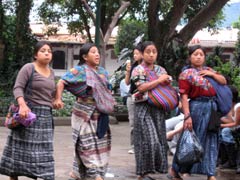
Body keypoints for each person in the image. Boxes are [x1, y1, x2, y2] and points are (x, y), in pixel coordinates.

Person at [53, 43, 112, 180]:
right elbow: (61, 82)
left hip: (100, 113)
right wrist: (58, 98)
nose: (97, 54)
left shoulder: (103, 72)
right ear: (85, 57)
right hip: (83, 112)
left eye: (98, 52)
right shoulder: (78, 71)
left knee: (99, 145)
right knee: (85, 144)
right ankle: (95, 175)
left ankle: (77, 172)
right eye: (93, 52)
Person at [168, 45, 227, 180]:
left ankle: (210, 173)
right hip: (196, 107)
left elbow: (223, 82)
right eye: (195, 54)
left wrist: (212, 74)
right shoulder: (186, 74)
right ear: (190, 57)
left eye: (201, 54)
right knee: (190, 140)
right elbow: (184, 96)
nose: (199, 57)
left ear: (204, 57)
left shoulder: (209, 70)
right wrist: (187, 115)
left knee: (212, 140)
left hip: (212, 108)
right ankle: (175, 169)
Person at [0, 41, 56, 180]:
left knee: (41, 154)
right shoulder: (29, 68)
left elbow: (50, 94)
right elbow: (18, 87)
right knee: (19, 151)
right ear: (35, 55)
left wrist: (55, 100)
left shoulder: (52, 72)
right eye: (43, 50)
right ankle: (13, 177)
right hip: (28, 116)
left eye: (49, 50)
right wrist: (23, 105)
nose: (47, 53)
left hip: (45, 118)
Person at [131, 41, 172, 180]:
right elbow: (141, 87)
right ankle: (144, 171)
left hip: (158, 108)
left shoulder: (160, 69)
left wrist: (165, 80)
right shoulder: (138, 70)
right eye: (148, 51)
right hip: (143, 108)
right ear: (142, 54)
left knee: (159, 139)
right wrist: (160, 81)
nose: (151, 54)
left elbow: (168, 80)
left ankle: (147, 173)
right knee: (149, 139)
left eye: (154, 51)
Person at [125, 44, 143, 154]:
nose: (135, 56)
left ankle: (143, 146)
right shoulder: (133, 66)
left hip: (144, 97)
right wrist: (128, 71)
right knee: (133, 123)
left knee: (143, 122)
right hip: (132, 97)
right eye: (134, 54)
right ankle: (134, 146)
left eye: (137, 53)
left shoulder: (148, 67)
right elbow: (127, 82)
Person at [219, 85, 240, 174]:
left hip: (238, 128)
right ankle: (226, 159)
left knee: (225, 132)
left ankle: (232, 160)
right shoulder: (230, 106)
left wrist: (221, 125)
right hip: (235, 127)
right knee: (220, 133)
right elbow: (232, 120)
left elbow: (236, 123)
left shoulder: (238, 107)